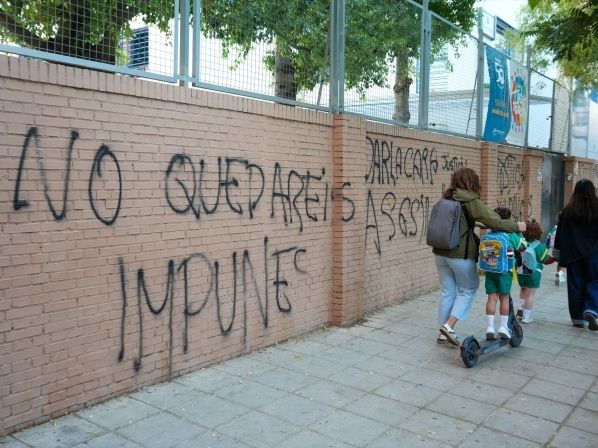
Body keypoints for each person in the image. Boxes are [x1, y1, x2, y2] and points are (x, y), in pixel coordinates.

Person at [432, 168, 526, 346]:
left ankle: (443, 333)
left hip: (440, 253)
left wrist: (473, 222)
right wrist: (517, 227)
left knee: (448, 291)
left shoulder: (446, 199)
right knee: (468, 289)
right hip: (459, 254)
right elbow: (495, 221)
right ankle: (449, 326)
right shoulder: (470, 200)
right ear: (471, 182)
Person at [554, 179, 598, 330]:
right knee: (595, 281)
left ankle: (577, 318)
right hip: (594, 253)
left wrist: (557, 253)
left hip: (573, 254)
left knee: (575, 284)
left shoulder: (568, 211)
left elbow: (560, 233)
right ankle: (591, 308)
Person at [484, 207, 527, 340]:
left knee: (491, 298)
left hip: (490, 270)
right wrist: (520, 233)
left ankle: (489, 327)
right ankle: (503, 327)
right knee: (504, 298)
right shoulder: (512, 235)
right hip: (505, 272)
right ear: (508, 219)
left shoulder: (489, 234)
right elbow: (523, 246)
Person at [516, 219, 554, 324]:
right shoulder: (539, 246)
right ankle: (526, 316)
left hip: (520, 272)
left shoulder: (521, 243)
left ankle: (521, 307)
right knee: (530, 294)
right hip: (534, 273)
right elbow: (546, 260)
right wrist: (555, 258)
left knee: (523, 290)